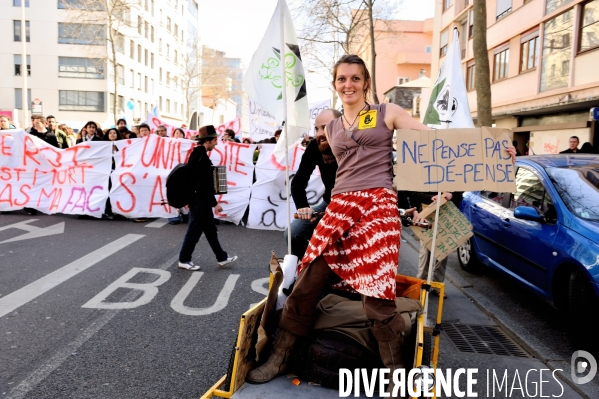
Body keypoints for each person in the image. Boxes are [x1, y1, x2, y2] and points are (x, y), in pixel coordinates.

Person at [247, 55, 434, 388]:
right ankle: (280, 357)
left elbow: (431, 137)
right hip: (339, 210)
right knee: (306, 285)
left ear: (366, 83)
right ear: (335, 84)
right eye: (342, 79)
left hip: (377, 209)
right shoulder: (332, 129)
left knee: (377, 296)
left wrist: (492, 149)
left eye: (355, 79)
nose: (349, 85)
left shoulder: (386, 112)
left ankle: (396, 374)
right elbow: (339, 174)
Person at [177, 125, 238, 271]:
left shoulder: (198, 155)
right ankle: (184, 259)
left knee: (210, 230)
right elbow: (203, 186)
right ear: (208, 141)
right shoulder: (201, 158)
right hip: (200, 202)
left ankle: (222, 257)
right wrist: (214, 203)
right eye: (215, 140)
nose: (217, 143)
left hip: (199, 201)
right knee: (194, 232)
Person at [283, 108, 341, 259]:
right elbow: (298, 183)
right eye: (316, 128)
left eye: (325, 127)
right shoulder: (315, 146)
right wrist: (303, 208)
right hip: (329, 204)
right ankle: (309, 268)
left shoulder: (354, 146)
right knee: (292, 233)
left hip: (355, 208)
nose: (319, 133)